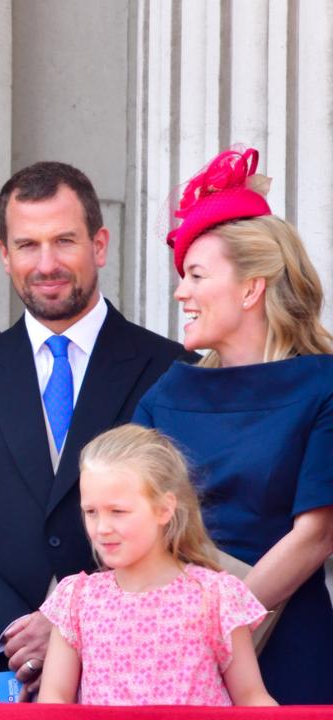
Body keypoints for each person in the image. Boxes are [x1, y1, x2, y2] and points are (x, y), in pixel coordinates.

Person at [0, 161, 188, 701]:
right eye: (28, 245)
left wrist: (71, 625)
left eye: (64, 241)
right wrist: (16, 628)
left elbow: (183, 522)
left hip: (135, 669)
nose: (47, 263)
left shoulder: (170, 370)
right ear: (4, 254)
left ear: (99, 245)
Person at [132, 147, 333, 704]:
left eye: (196, 275)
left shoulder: (324, 385)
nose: (180, 292)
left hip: (287, 644)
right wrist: (181, 636)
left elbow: (315, 535)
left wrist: (217, 636)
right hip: (169, 647)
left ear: (251, 288)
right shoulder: (165, 394)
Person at [37, 424, 274, 706]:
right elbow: (54, 699)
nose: (102, 528)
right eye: (91, 512)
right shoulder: (76, 599)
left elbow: (251, 698)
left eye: (118, 512)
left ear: (164, 509)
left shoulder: (215, 597)